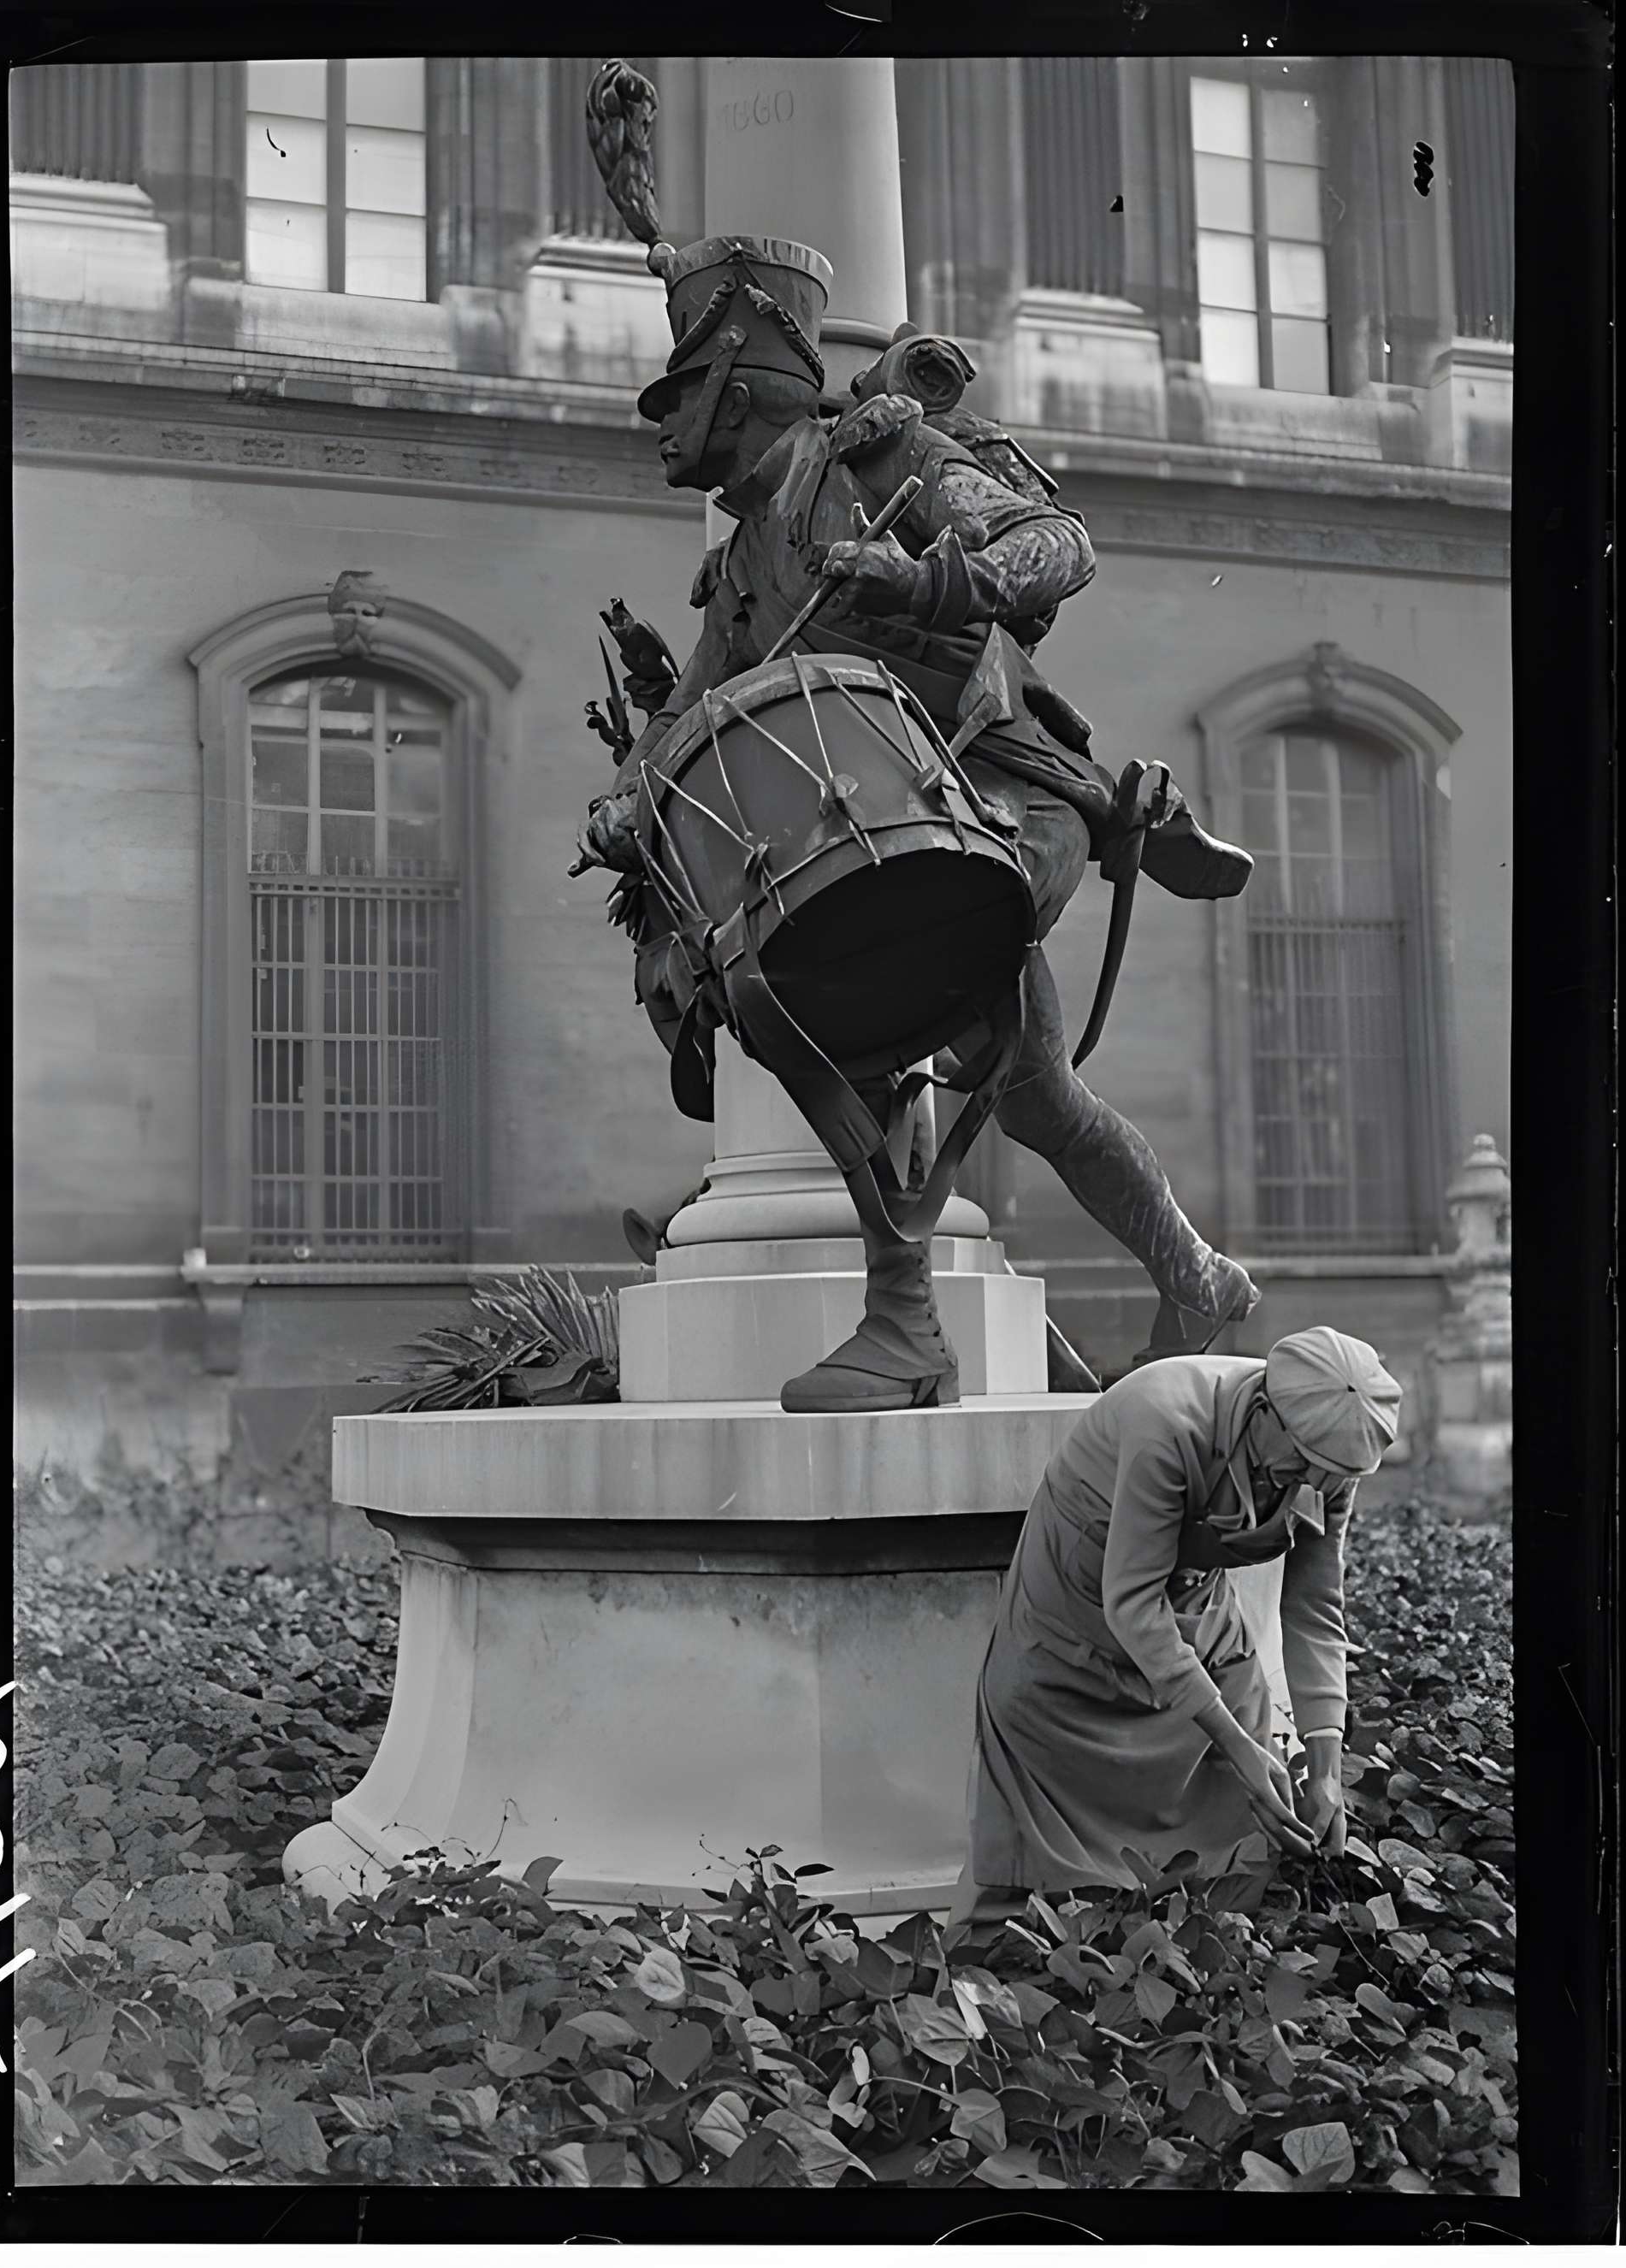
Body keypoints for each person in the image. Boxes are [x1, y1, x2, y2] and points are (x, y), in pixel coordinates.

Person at [574, 64, 1259, 1413]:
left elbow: (1061, 546)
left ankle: (911, 1322)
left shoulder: (880, 464)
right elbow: (709, 719)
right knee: (1029, 1092)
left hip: (1010, 801)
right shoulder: (746, 562)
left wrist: (931, 581)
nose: (664, 431)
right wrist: (627, 787)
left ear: (742, 382)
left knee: (890, 1024)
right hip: (894, 828)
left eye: (679, 401)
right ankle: (1182, 1281)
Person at [949, 1326, 1402, 1924]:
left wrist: (1326, 1769)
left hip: (1199, 1623)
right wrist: (1240, 1748)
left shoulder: (1328, 1460)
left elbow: (1315, 1605)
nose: (1315, 1486)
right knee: (1034, 1876)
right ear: (1263, 1409)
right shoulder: (1166, 1421)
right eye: (1305, 1464)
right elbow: (1132, 1601)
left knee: (1240, 1841)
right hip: (1071, 1627)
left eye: (1333, 1475)